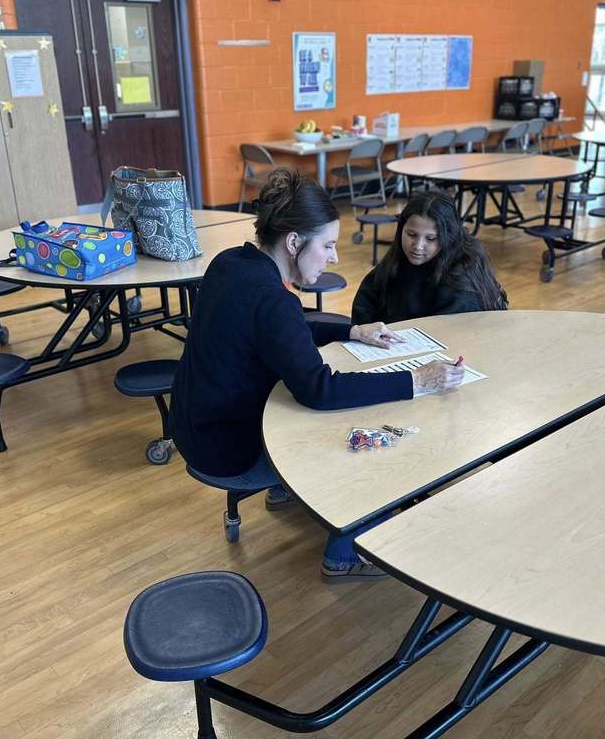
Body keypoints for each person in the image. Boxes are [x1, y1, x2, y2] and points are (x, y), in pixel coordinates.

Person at [170, 168, 464, 581]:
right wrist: (420, 380)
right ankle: (344, 554)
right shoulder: (271, 299)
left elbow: (282, 327)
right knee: (370, 428)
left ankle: (283, 487)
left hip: (193, 426)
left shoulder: (232, 263)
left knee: (310, 397)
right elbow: (320, 390)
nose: (334, 257)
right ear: (294, 242)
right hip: (229, 452)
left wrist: (352, 330)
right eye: (327, 244)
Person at [351, 189, 507, 326]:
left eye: (430, 239)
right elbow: (365, 307)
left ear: (447, 238)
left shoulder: (463, 276)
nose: (418, 246)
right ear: (401, 229)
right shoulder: (396, 260)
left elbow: (450, 333)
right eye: (411, 234)